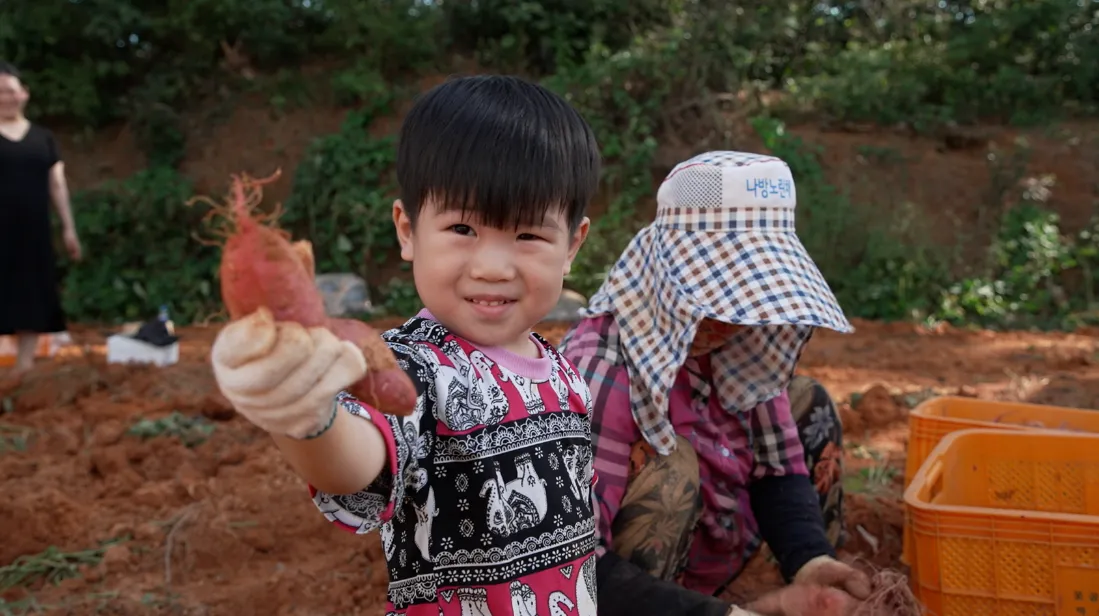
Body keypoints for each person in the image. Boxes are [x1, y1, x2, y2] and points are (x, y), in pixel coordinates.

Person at [210, 75, 602, 616]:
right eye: (462, 228)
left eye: (529, 236)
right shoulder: (412, 365)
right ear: (407, 229)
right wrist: (306, 412)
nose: (491, 267)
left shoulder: (564, 372)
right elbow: (359, 464)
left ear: (572, 245)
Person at [560, 151, 873, 616]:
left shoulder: (742, 345)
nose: (728, 319)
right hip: (629, 595)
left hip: (720, 555)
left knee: (809, 400)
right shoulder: (602, 369)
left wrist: (809, 558)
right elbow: (575, 561)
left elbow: (777, 467)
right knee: (671, 468)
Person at [0, 62, 81, 377]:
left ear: (24, 94)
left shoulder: (44, 138)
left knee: (32, 289)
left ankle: (24, 365)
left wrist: (69, 228)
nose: (5, 98)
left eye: (10, 91)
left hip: (33, 229)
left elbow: (57, 184)